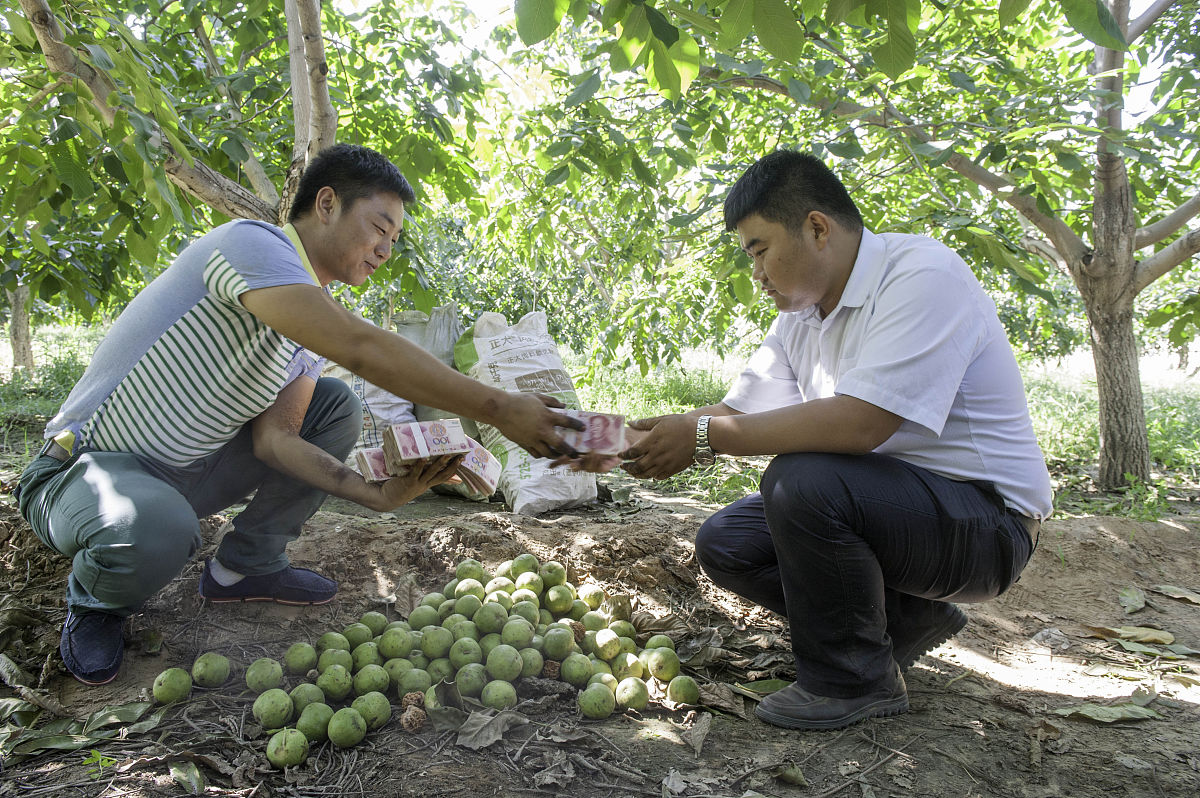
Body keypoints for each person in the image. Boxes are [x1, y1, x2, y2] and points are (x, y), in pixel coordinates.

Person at [15, 143, 581, 686]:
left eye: (395, 239)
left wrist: (377, 496)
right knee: (155, 528)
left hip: (188, 476)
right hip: (85, 471)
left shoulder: (305, 322)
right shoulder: (250, 244)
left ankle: (245, 567)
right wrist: (501, 407)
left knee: (333, 407)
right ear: (328, 203)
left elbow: (276, 442)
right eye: (380, 228)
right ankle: (96, 604)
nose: (386, 250)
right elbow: (360, 348)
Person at [620, 150, 1053, 730]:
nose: (756, 273)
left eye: (760, 250)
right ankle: (906, 620)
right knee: (726, 541)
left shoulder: (922, 275)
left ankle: (852, 683)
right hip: (901, 513)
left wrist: (702, 436)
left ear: (816, 228)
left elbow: (860, 424)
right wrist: (631, 435)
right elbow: (735, 411)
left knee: (801, 482)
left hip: (986, 526)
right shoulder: (798, 319)